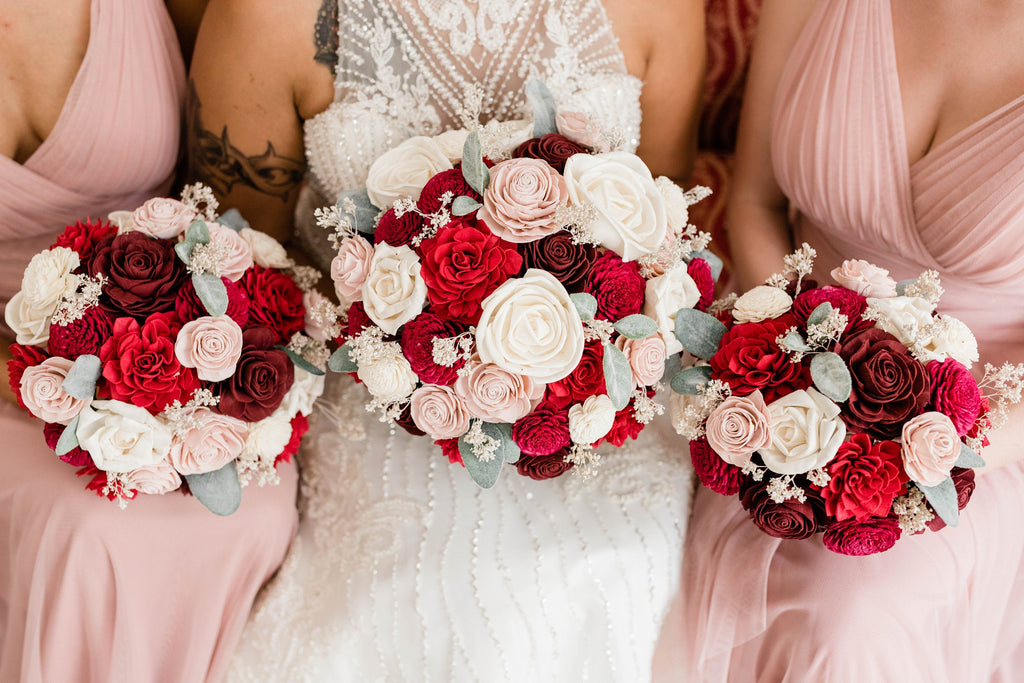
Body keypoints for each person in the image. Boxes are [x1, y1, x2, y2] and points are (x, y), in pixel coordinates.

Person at [187, 0, 705, 679]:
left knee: (620, 561)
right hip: (370, 386)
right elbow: (242, 270)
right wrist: (413, 340)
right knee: (417, 584)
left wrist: (564, 359)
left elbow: (664, 230)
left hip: (596, 401)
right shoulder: (266, 16)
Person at [670, 1, 1024, 681]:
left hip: (989, 439)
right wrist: (789, 369)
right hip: (784, 386)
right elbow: (755, 204)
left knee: (852, 609)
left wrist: (927, 452)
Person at [0, 1, 299, 681]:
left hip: (162, 362)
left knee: (248, 506)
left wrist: (176, 378)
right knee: (88, 530)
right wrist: (54, 384)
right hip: (26, 387)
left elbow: (233, 196)